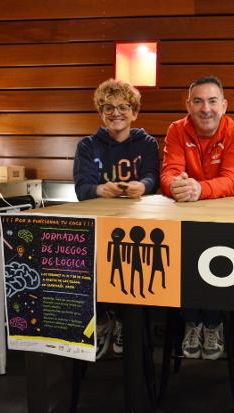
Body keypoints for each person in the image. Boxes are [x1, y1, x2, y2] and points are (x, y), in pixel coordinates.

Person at [161, 75, 234, 360]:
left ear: (224, 105)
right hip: (183, 221)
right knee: (179, 261)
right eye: (198, 101)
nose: (205, 108)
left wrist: (199, 189)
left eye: (212, 101)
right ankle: (192, 321)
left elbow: (233, 180)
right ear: (188, 105)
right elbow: (169, 172)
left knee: (215, 263)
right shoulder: (176, 129)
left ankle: (213, 323)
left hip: (222, 225)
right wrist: (176, 185)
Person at [73, 78, 160, 357]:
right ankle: (102, 319)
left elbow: (153, 177)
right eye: (108, 108)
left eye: (123, 107)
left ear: (134, 112)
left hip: (138, 225)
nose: (115, 113)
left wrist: (143, 186)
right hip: (98, 224)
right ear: (101, 113)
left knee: (132, 271)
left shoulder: (146, 143)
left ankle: (123, 320)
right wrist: (100, 189)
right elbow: (82, 188)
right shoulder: (87, 145)